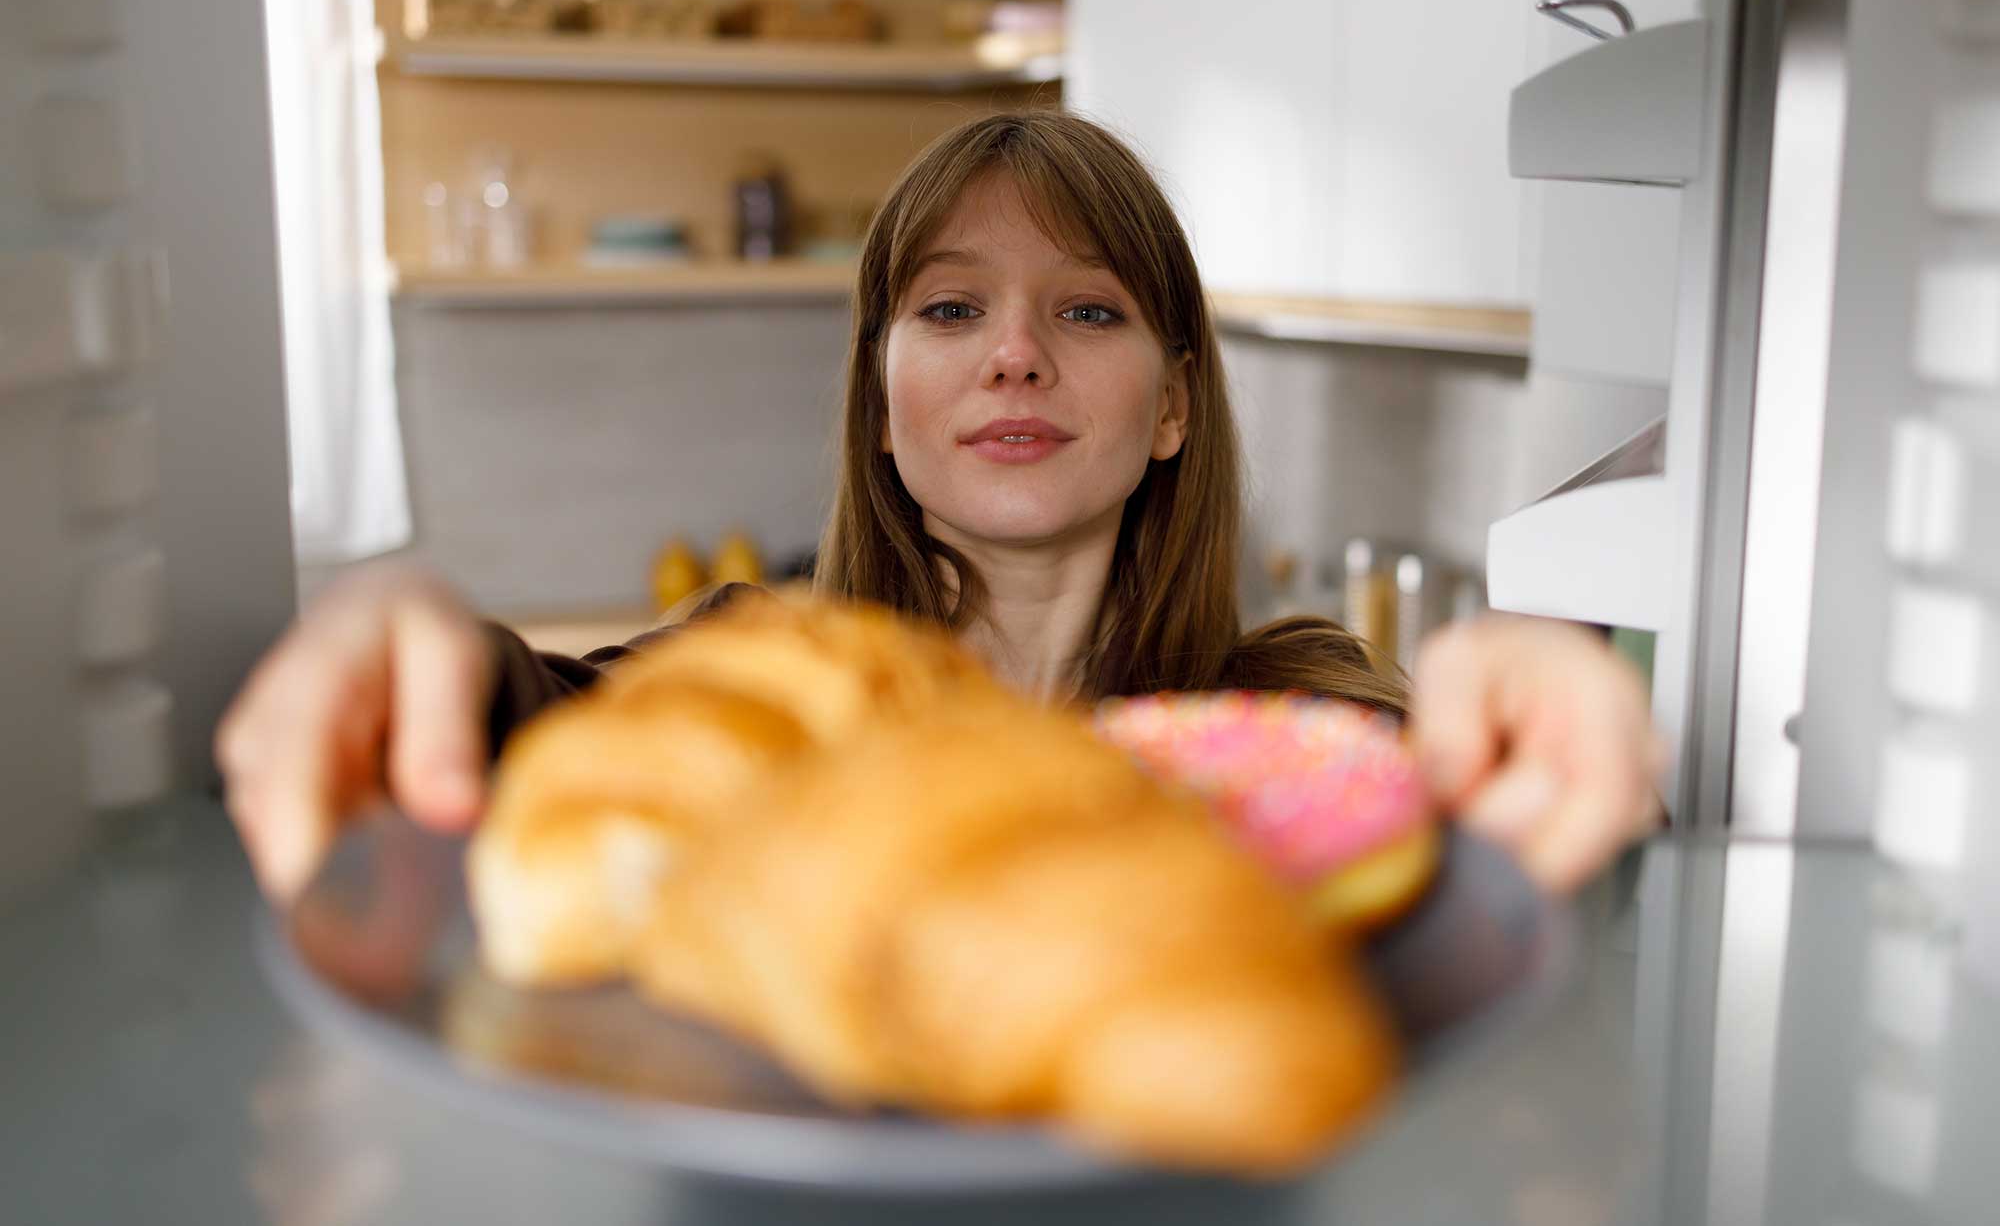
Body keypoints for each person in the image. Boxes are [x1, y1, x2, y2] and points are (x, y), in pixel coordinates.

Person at [220, 111, 1661, 905]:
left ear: (1172, 405)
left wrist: (1535, 677)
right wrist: (401, 617)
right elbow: (525, 719)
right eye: (951, 306)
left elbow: (1479, 834)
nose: (1014, 353)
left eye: (1087, 309)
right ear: (885, 399)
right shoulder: (754, 679)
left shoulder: (1298, 712)